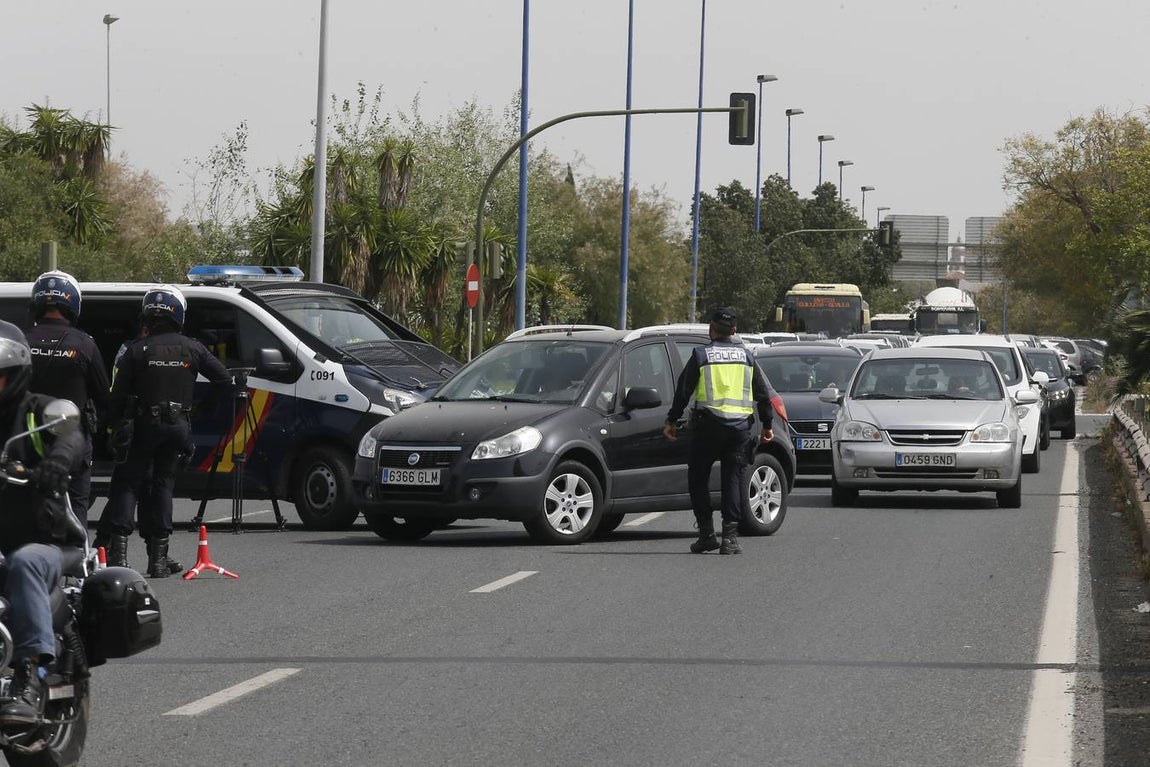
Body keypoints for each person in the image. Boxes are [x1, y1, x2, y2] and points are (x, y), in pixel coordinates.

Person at [103, 285, 232, 578]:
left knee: (128, 485)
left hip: (142, 427)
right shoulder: (193, 347)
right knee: (163, 487)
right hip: (177, 428)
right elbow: (224, 380)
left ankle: (119, 558)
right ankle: (158, 562)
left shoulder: (136, 350)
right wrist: (199, 410)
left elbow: (117, 396)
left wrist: (112, 428)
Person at [0, 321, 85, 726]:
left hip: (42, 543)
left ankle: (28, 675)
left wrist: (56, 462)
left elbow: (70, 433)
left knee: (26, 563)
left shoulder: (38, 412)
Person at [663, 307, 774, 555]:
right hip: (738, 430)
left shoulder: (701, 355)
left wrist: (671, 420)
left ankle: (707, 534)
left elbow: (684, 390)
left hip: (707, 428)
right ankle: (730, 539)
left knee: (698, 479)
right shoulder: (747, 357)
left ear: (711, 330)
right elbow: (763, 395)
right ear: (734, 331)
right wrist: (767, 426)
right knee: (732, 480)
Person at [25, 270, 110, 529]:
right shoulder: (85, 344)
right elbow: (104, 395)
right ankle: (77, 561)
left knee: (26, 500)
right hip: (73, 438)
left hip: (28, 436)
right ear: (72, 302)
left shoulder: (22, 340)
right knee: (77, 502)